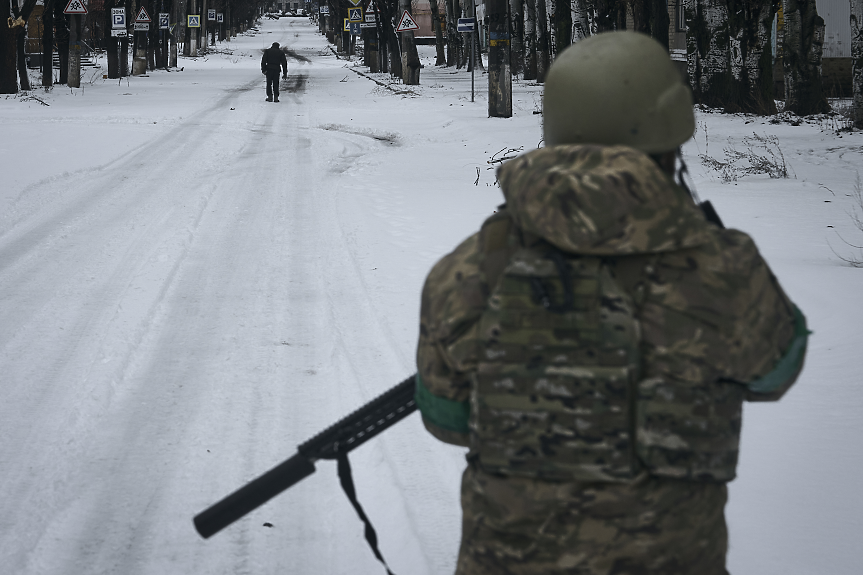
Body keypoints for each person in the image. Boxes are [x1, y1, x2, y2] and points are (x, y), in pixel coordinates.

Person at [414, 31, 808, 575]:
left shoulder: (468, 270)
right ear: (672, 134)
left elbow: (448, 419)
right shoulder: (725, 269)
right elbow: (775, 372)